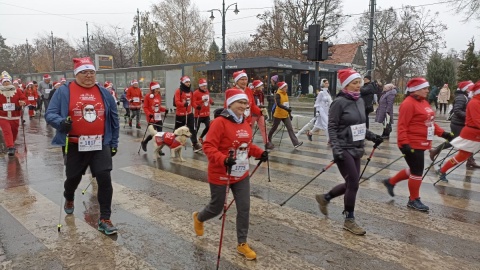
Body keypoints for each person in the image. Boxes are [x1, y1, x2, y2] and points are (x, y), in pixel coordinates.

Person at [45, 57, 119, 235]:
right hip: (75, 144)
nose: (88, 75)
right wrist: (62, 122)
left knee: (104, 178)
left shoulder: (104, 93)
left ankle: (105, 219)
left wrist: (114, 142)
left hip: (100, 143)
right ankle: (69, 196)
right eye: (84, 72)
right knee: (73, 178)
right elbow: (50, 114)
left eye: (92, 72)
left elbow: (114, 118)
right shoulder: (64, 91)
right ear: (76, 74)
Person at [192, 88, 268, 261]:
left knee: (244, 207)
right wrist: (224, 159)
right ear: (230, 103)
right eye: (240, 102)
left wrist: (259, 153)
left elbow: (245, 146)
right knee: (216, 208)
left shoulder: (245, 122)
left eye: (245, 103)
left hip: (241, 173)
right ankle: (199, 217)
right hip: (221, 171)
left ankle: (242, 243)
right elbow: (208, 146)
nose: (244, 105)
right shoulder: (220, 122)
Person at [314, 68, 383, 235]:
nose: (358, 85)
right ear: (346, 85)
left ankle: (325, 198)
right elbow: (332, 126)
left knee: (352, 183)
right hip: (343, 147)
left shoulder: (359, 101)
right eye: (354, 83)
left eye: (359, 82)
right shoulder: (338, 102)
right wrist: (336, 148)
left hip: (356, 147)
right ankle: (349, 220)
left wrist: (372, 136)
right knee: (353, 182)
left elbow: (359, 126)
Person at [382, 77, 454, 212]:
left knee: (415, 169)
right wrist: (404, 144)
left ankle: (391, 182)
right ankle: (413, 199)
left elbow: (430, 122)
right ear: (416, 90)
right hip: (411, 143)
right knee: (417, 171)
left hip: (422, 142)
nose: (428, 90)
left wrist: (443, 134)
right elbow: (402, 125)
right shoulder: (408, 103)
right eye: (425, 88)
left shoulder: (423, 102)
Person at [432, 80, 480, 170]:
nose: (471, 89)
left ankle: (470, 160)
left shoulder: (468, 97)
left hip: (464, 124)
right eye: (470, 88)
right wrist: (469, 116)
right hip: (458, 124)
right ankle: (435, 151)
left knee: (461, 144)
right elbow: (457, 111)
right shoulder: (462, 97)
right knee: (454, 142)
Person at [268, 81, 303, 148]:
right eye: (285, 87)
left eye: (286, 87)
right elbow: (278, 104)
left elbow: (287, 104)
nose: (286, 88)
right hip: (278, 114)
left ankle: (296, 143)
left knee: (290, 128)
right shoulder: (278, 94)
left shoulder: (285, 94)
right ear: (281, 88)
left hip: (285, 114)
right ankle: (268, 139)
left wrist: (289, 114)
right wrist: (286, 108)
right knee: (274, 128)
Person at [0, 74, 27, 156]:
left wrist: (23, 102)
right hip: (3, 116)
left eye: (8, 81)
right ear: (2, 83)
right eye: (4, 82)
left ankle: (11, 143)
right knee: (7, 131)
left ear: (10, 82)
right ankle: (10, 147)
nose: (6, 83)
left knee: (14, 131)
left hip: (15, 116)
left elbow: (23, 98)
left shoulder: (17, 90)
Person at [174, 76, 202, 152]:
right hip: (180, 114)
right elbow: (177, 102)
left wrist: (196, 107)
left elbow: (192, 102)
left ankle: (195, 144)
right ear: (183, 83)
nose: (188, 83)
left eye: (189, 82)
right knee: (178, 131)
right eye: (186, 82)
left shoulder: (191, 92)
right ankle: (174, 144)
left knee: (192, 129)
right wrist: (183, 104)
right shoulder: (178, 91)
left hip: (189, 113)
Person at [141, 82, 167, 153]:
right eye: (157, 89)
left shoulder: (158, 96)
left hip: (158, 117)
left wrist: (164, 109)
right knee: (153, 133)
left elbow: (158, 107)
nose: (158, 90)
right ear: (153, 89)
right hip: (151, 117)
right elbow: (145, 107)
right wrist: (149, 114)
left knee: (159, 133)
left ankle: (159, 149)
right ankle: (144, 142)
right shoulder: (147, 96)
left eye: (158, 89)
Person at [305, 78, 332, 143]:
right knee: (327, 124)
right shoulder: (321, 93)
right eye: (326, 83)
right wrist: (317, 111)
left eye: (328, 83)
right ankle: (329, 140)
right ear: (323, 84)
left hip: (327, 110)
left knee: (317, 125)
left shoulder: (328, 92)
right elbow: (317, 103)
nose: (327, 84)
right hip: (322, 111)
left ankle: (310, 133)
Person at [251, 80, 272, 149]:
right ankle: (249, 143)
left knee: (263, 128)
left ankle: (266, 143)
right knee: (250, 129)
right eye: (261, 86)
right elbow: (252, 104)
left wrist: (262, 108)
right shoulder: (251, 94)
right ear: (257, 87)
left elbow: (261, 102)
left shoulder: (261, 94)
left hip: (260, 113)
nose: (262, 87)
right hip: (253, 113)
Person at [193, 78, 214, 144]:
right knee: (196, 129)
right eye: (203, 86)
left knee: (208, 126)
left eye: (206, 86)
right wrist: (199, 103)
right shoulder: (196, 93)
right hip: (198, 114)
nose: (205, 87)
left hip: (206, 114)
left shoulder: (207, 91)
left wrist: (211, 101)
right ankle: (194, 142)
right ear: (200, 86)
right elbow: (193, 102)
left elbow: (208, 98)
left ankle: (201, 137)